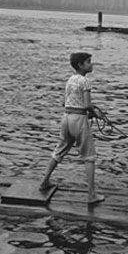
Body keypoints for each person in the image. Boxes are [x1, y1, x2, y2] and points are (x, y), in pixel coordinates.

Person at [39, 52, 105, 204]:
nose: (91, 64)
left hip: (67, 118)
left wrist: (89, 113)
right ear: (81, 65)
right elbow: (87, 105)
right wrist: (96, 114)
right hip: (79, 120)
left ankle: (44, 181)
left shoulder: (70, 80)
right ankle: (91, 195)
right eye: (88, 62)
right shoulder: (85, 81)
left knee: (59, 151)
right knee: (89, 157)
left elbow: (71, 104)